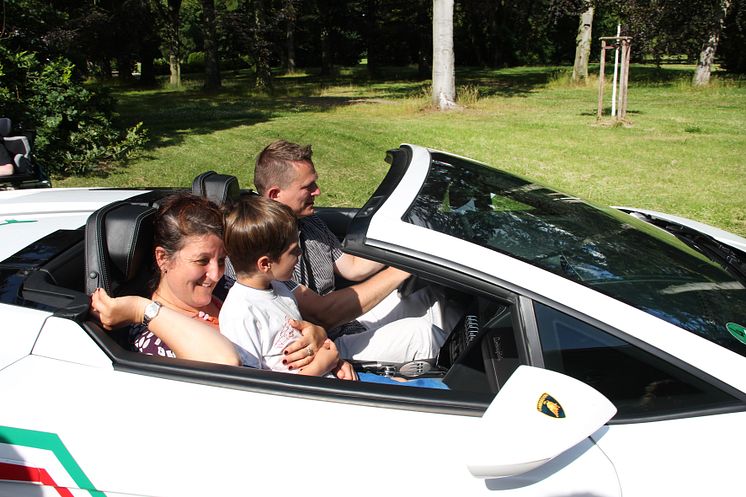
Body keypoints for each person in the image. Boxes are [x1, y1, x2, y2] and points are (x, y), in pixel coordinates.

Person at [220, 195, 446, 388]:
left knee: (434, 388)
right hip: (321, 392)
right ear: (265, 264)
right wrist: (324, 364)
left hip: (333, 373)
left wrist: (334, 360)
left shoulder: (280, 288)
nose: (299, 254)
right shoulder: (241, 312)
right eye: (293, 251)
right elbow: (254, 388)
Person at [90, 192, 328, 371]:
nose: (216, 274)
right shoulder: (152, 337)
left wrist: (316, 336)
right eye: (202, 261)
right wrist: (142, 309)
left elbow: (287, 320)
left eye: (222, 260)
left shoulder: (224, 289)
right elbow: (226, 362)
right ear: (163, 258)